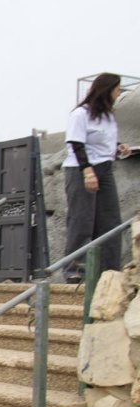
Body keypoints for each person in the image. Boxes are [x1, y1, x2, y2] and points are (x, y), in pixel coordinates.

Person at [62, 72, 131, 283]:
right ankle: (75, 272)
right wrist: (88, 172)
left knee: (110, 221)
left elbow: (103, 141)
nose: (119, 93)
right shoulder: (80, 114)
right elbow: (76, 144)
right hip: (81, 169)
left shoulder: (108, 115)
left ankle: (110, 271)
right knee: (82, 220)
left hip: (105, 168)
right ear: (106, 90)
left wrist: (119, 147)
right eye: (117, 90)